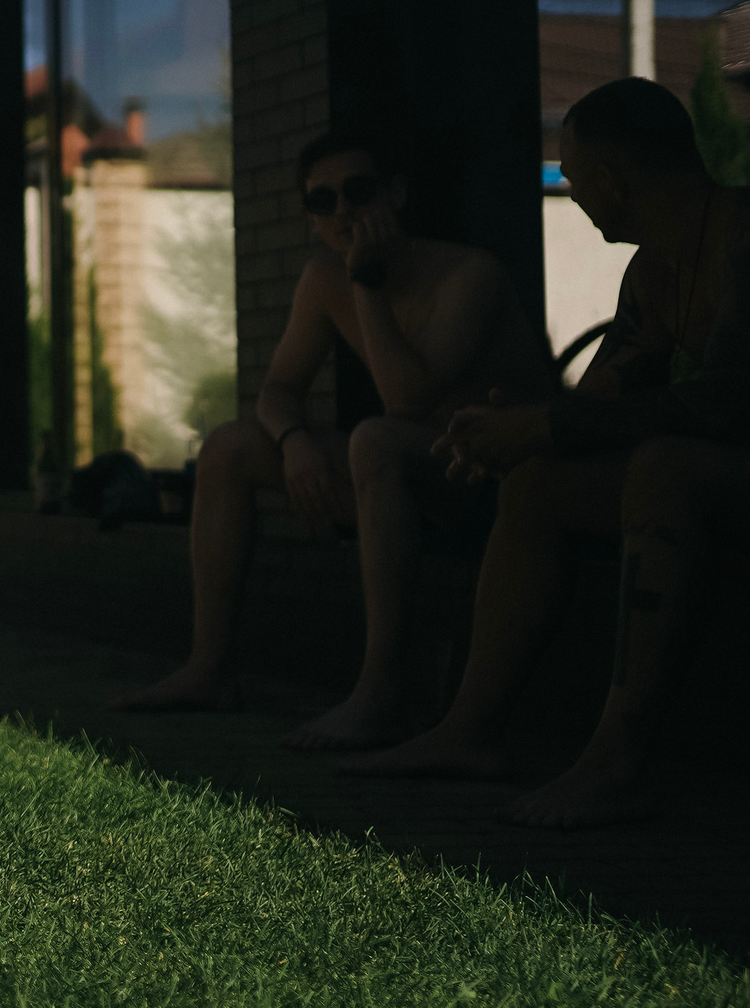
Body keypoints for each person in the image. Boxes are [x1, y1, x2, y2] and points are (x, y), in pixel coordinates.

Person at [346, 78, 750, 825]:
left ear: (612, 178)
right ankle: (467, 731)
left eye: (570, 174)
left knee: (664, 466)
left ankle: (616, 756)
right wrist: (514, 427)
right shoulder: (655, 269)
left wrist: (551, 428)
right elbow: (598, 408)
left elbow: (725, 399)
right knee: (538, 484)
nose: (568, 190)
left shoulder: (740, 235)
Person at [114, 131, 552, 746]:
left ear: (395, 193)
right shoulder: (324, 277)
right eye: (324, 202)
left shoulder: (467, 274)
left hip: (499, 487)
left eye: (359, 191)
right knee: (229, 447)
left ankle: (380, 693)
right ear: (311, 219)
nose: (344, 211)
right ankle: (208, 669)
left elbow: (408, 401)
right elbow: (278, 390)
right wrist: (293, 440)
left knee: (373, 437)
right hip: (409, 478)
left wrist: (367, 283)